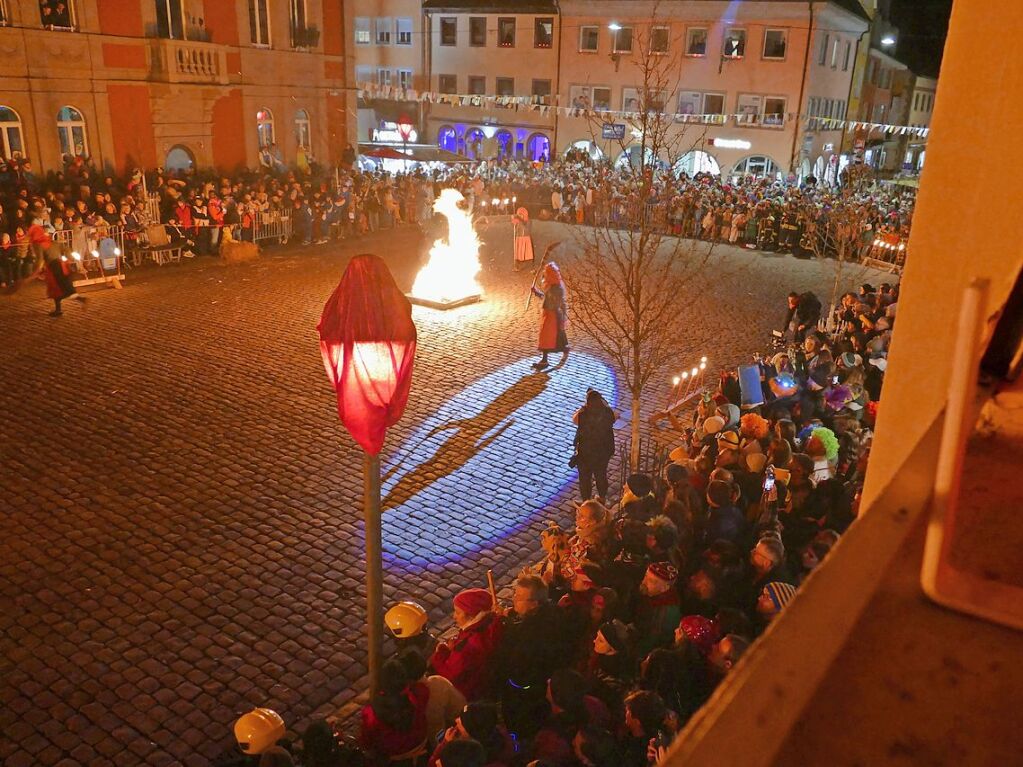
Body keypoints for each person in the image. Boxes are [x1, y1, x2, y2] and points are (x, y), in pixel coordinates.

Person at [430, 588, 504, 701]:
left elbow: (450, 675)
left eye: (458, 612)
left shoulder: (470, 644)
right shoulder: (491, 624)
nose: (454, 616)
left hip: (468, 694)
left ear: (471, 614)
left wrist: (441, 653)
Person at [359, 659, 430, 764]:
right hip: (421, 745)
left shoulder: (370, 714)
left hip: (395, 758)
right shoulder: (418, 695)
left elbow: (366, 742)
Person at [572, 389, 616, 503]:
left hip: (585, 452)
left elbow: (574, 420)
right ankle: (602, 498)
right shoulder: (607, 413)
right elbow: (616, 417)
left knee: (585, 478)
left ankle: (586, 501)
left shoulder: (583, 414)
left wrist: (583, 407)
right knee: (601, 474)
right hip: (603, 452)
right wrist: (606, 406)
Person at [530, 262, 569, 370]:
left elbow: (561, 304)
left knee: (547, 336)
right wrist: (536, 292)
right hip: (548, 314)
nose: (544, 275)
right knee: (550, 336)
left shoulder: (556, 289)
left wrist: (563, 319)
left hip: (553, 316)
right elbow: (546, 298)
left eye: (546, 274)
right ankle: (563, 349)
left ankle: (545, 360)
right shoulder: (551, 287)